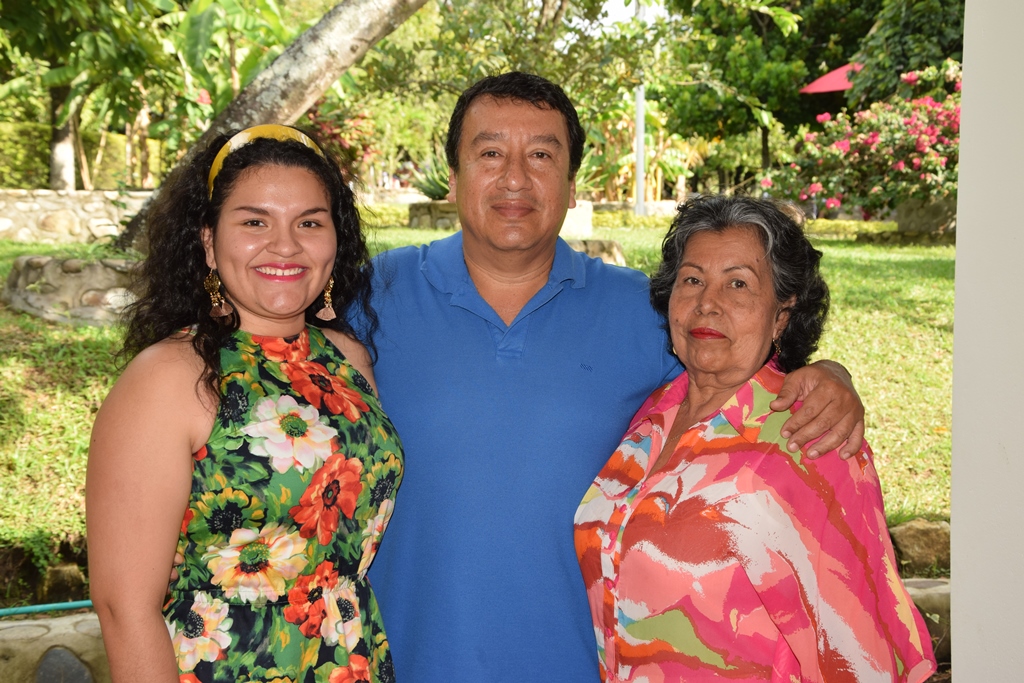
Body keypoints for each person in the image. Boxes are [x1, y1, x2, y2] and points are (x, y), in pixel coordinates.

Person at [361, 72, 866, 681]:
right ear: (454, 176)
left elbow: (737, 363)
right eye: (490, 153)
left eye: (542, 155)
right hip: (409, 660)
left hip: (590, 665)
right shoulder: (375, 295)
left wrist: (826, 372)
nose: (515, 178)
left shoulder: (646, 310)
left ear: (572, 185)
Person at [574, 195, 936, 682]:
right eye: (693, 280)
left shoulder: (809, 441)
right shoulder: (651, 414)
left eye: (738, 284)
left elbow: (865, 657)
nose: (708, 302)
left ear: (782, 314)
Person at [87, 125, 403, 683]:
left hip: (350, 664)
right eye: (255, 222)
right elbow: (123, 607)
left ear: (336, 240)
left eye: (309, 222)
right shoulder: (167, 378)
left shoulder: (349, 359)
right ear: (208, 240)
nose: (285, 245)